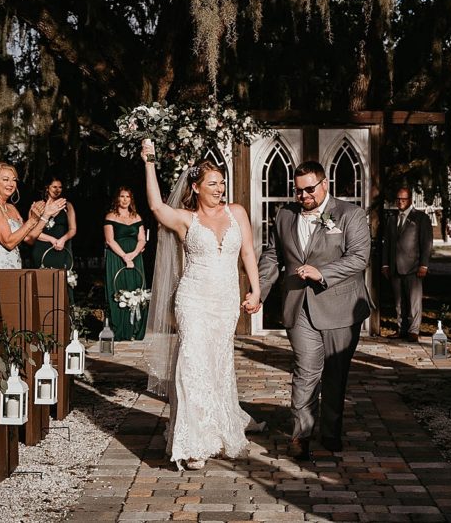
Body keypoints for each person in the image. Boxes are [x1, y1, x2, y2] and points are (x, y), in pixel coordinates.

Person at [142, 140, 263, 470]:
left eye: (222, 182)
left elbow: (248, 253)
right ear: (195, 188)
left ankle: (221, 432)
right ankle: (193, 443)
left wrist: (255, 289)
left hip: (225, 303)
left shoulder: (236, 213)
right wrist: (149, 160)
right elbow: (155, 206)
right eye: (213, 183)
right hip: (193, 300)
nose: (220, 188)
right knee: (192, 366)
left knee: (218, 366)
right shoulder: (185, 220)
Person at [258, 161, 372, 460]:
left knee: (336, 375)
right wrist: (259, 290)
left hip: (341, 307)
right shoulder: (284, 215)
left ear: (325, 185)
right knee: (305, 370)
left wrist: (323, 273)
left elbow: (359, 258)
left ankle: (331, 432)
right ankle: (300, 435)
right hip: (298, 305)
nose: (304, 195)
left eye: (310, 189)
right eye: (298, 190)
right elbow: (273, 255)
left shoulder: (351, 214)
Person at [0, 163, 64, 269]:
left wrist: (45, 216)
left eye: (14, 180)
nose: (11, 184)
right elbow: (8, 242)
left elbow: (28, 238)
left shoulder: (11, 208)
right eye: (6, 179)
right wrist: (32, 220)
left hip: (13, 268)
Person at [381, 186, 433, 342]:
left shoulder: (421, 218)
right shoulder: (391, 219)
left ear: (410, 200)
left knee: (414, 301)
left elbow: (426, 243)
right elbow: (387, 243)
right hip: (395, 266)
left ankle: (413, 330)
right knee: (399, 301)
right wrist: (385, 264)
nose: (400, 202)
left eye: (403, 199)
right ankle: (401, 328)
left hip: (413, 266)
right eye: (398, 199)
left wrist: (424, 265)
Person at [104, 187, 147, 340]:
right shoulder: (111, 216)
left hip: (134, 255)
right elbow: (110, 240)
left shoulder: (136, 217)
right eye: (122, 196)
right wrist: (124, 256)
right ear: (117, 198)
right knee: (118, 290)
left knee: (135, 288)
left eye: (127, 197)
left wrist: (133, 254)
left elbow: (142, 239)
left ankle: (135, 329)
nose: (125, 200)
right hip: (117, 257)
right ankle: (119, 329)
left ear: (131, 199)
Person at [29, 175, 77, 269]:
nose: (57, 190)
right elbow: (31, 231)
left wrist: (62, 240)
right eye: (54, 187)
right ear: (47, 188)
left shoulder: (67, 206)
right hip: (42, 248)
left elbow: (73, 229)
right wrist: (51, 239)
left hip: (62, 247)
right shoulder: (38, 205)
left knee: (61, 279)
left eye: (60, 187)